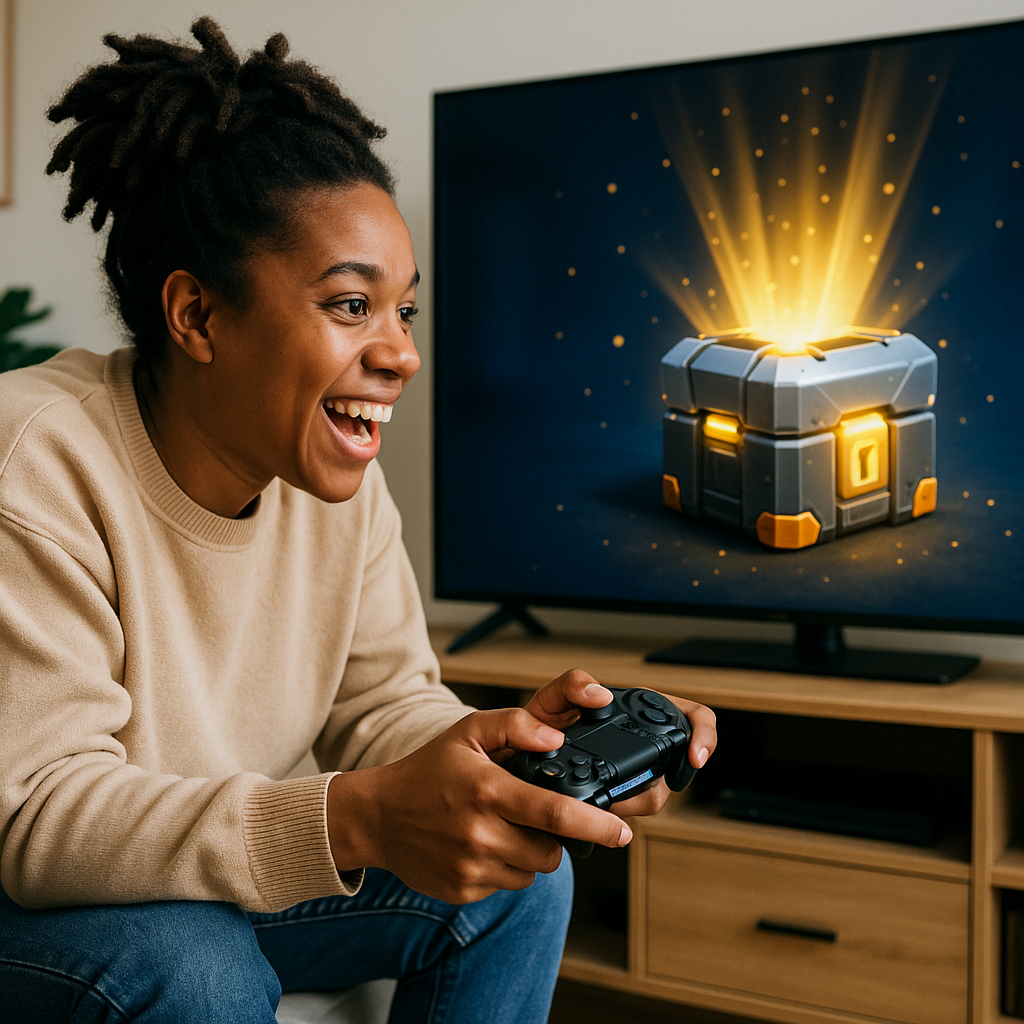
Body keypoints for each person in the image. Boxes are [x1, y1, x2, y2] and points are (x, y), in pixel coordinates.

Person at [0, 17, 717, 1024]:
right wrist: (356, 818)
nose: (400, 355)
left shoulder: (327, 472)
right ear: (196, 316)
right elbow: (40, 817)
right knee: (195, 962)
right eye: (350, 306)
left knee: (518, 880)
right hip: (24, 897)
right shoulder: (33, 458)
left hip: (181, 873)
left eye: (405, 312)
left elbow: (380, 706)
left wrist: (497, 752)